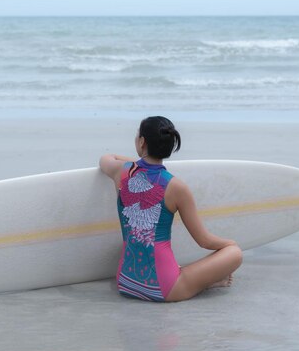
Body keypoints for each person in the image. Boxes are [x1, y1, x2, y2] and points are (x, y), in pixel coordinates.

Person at [99, 116, 242, 302]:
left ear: (142, 142)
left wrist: (137, 162)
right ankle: (207, 282)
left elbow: (106, 158)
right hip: (165, 289)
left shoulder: (122, 171)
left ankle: (200, 281)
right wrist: (230, 244)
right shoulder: (176, 187)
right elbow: (204, 241)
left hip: (126, 282)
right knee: (234, 254)